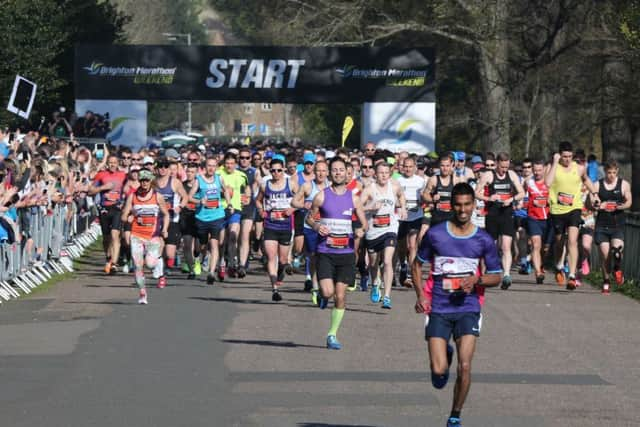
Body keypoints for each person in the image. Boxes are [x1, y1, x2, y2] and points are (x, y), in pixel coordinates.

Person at [411, 182, 502, 427]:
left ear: (474, 205)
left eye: (467, 205)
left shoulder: (483, 239)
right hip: (439, 308)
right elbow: (417, 265)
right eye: (458, 205)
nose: (463, 210)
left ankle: (455, 414)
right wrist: (421, 295)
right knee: (439, 372)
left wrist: (478, 279)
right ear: (451, 206)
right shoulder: (436, 234)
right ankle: (445, 354)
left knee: (465, 365)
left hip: (468, 308)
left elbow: (497, 275)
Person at [306, 157, 367, 349]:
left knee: (340, 296)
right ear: (330, 173)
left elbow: (364, 223)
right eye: (335, 170)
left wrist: (360, 230)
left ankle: (332, 334)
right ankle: (323, 297)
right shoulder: (321, 196)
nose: (338, 173)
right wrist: (316, 226)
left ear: (348, 173)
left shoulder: (354, 197)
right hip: (325, 251)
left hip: (346, 253)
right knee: (328, 292)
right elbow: (309, 218)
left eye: (342, 170)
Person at [545, 141, 599, 290]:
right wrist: (555, 162)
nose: (567, 159)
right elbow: (548, 183)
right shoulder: (553, 167)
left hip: (574, 208)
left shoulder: (579, 168)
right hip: (557, 210)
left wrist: (595, 194)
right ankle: (559, 265)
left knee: (573, 241)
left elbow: (586, 180)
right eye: (564, 156)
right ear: (559, 155)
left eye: (569, 156)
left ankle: (572, 275)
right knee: (559, 242)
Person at [475, 152, 525, 290]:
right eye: (502, 167)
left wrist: (512, 199)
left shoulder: (512, 175)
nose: (504, 170)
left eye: (506, 167)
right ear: (497, 164)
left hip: (507, 213)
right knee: (491, 246)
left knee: (506, 246)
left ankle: (507, 275)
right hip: (492, 214)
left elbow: (521, 192)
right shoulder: (489, 175)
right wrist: (489, 198)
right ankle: (486, 273)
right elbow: (476, 192)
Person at [360, 162, 407, 309]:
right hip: (373, 231)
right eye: (381, 173)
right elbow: (357, 207)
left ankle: (387, 296)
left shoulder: (394, 186)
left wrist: (403, 208)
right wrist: (370, 207)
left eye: (386, 173)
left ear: (390, 174)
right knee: (374, 263)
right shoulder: (369, 189)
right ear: (375, 173)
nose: (384, 176)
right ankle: (375, 282)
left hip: (390, 228)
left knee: (387, 261)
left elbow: (401, 196)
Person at [120, 169, 170, 304]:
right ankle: (142, 293)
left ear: (151, 181)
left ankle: (158, 262)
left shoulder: (157, 196)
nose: (144, 183)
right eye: (142, 180)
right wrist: (130, 217)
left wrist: (165, 229)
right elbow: (124, 215)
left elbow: (166, 214)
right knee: (138, 265)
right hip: (136, 235)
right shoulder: (133, 196)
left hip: (153, 236)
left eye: (147, 180)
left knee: (150, 264)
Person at [256, 157, 299, 301]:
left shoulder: (291, 183)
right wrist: (261, 210)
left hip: (285, 225)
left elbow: (302, 200)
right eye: (273, 170)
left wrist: (292, 209)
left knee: (283, 259)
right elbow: (257, 200)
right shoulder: (265, 185)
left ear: (284, 170)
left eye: (279, 170)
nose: (276, 173)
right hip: (270, 224)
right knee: (271, 256)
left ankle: (281, 271)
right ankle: (275, 289)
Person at [187, 156, 231, 285]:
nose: (211, 168)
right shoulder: (199, 180)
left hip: (217, 216)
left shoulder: (219, 178)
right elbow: (189, 197)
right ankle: (200, 257)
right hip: (202, 217)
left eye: (213, 165)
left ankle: (211, 272)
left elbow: (226, 190)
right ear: (204, 167)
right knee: (203, 246)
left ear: (216, 167)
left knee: (214, 244)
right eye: (209, 165)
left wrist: (229, 203)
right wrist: (200, 201)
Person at [291, 160, 329, 301]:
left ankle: (323, 284)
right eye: (318, 170)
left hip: (326, 227)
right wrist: (304, 204)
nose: (321, 173)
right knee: (313, 257)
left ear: (327, 172)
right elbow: (293, 202)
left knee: (325, 257)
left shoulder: (330, 187)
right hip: (310, 226)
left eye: (324, 171)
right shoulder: (307, 186)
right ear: (314, 171)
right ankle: (315, 286)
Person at [592, 159, 632, 293]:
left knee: (616, 251)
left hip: (617, 225)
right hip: (602, 225)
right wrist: (598, 205)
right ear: (605, 172)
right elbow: (593, 201)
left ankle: (617, 269)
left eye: (614, 173)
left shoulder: (624, 184)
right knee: (605, 255)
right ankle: (606, 281)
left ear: (617, 172)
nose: (611, 175)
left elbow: (628, 201)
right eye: (609, 173)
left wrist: (621, 206)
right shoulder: (598, 185)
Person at [89, 154, 127, 274]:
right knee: (106, 238)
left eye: (114, 162)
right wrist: (102, 188)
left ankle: (114, 264)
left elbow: (129, 190)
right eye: (110, 162)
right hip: (104, 209)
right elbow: (90, 191)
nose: (112, 165)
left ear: (118, 163)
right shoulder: (101, 175)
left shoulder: (123, 175)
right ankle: (108, 258)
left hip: (117, 208)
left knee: (115, 235)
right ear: (107, 163)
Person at [396, 156, 426, 287]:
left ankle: (410, 273)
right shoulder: (397, 180)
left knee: (412, 245)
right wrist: (400, 204)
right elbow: (392, 197)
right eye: (405, 166)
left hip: (416, 216)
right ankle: (403, 265)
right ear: (402, 167)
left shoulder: (421, 181)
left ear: (415, 167)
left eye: (410, 167)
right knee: (402, 246)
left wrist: (422, 202)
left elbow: (425, 197)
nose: (408, 169)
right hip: (401, 217)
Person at [524, 159, 551, 284]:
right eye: (535, 170)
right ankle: (538, 273)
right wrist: (530, 203)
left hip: (548, 218)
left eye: (539, 170)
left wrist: (547, 202)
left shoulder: (549, 183)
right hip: (533, 217)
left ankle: (541, 266)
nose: (537, 173)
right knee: (536, 245)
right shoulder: (528, 183)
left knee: (545, 248)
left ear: (544, 170)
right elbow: (522, 197)